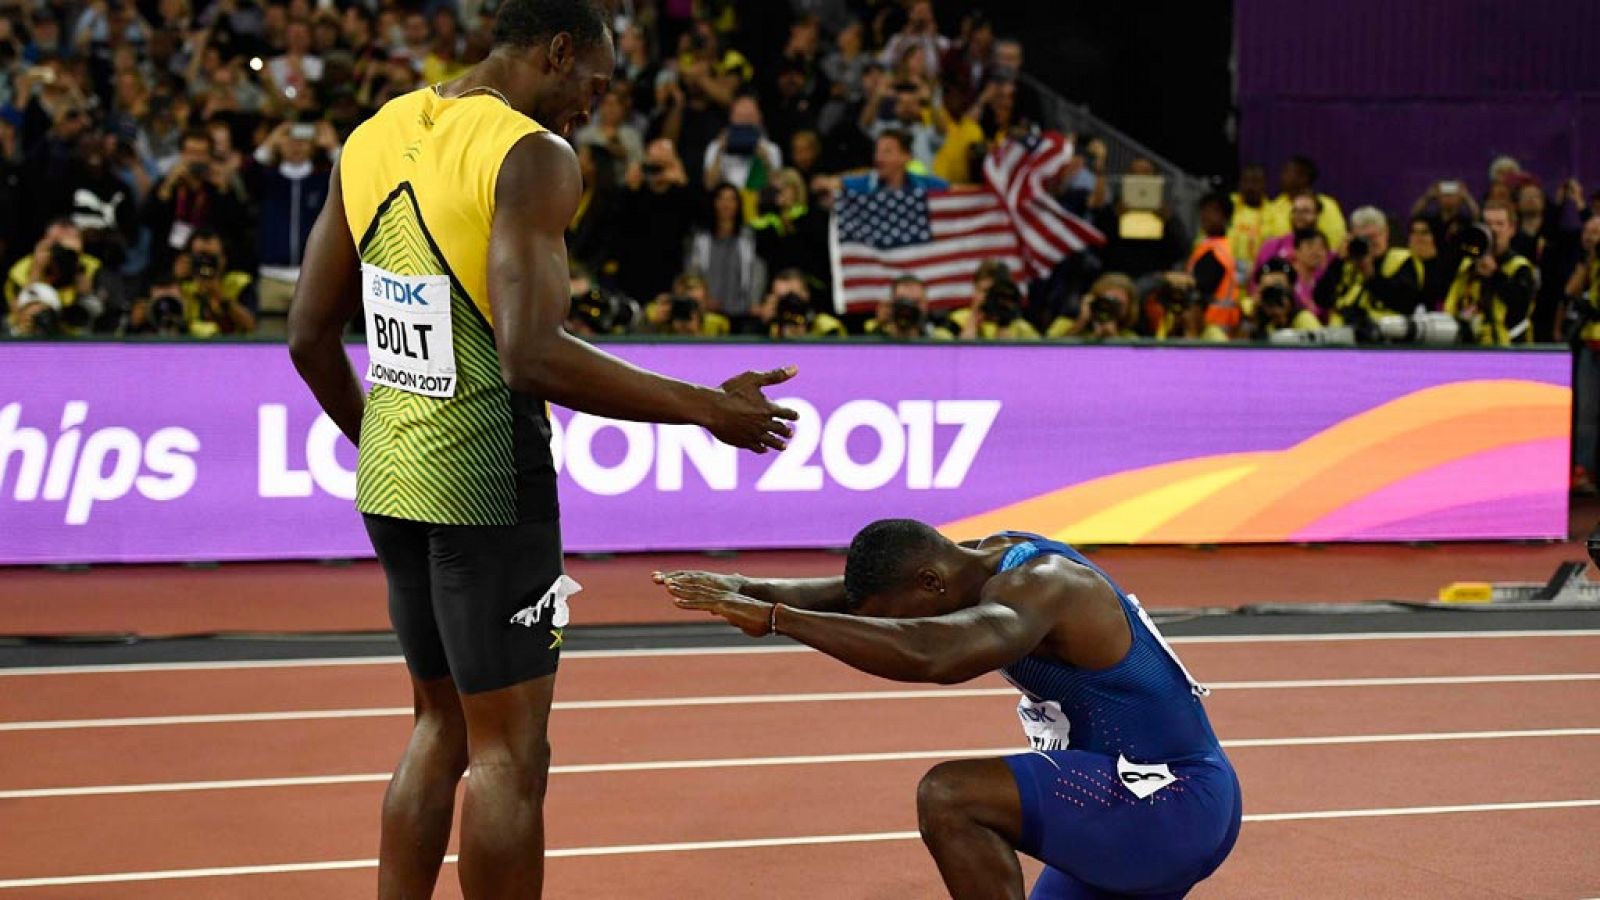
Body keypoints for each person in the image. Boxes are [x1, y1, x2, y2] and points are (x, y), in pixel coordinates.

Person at [286, 2, 800, 897]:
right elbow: (531, 353)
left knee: (437, 727)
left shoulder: (377, 131)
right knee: (511, 757)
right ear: (558, 51)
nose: (592, 110)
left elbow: (306, 336)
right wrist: (706, 409)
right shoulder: (531, 156)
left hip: (391, 480)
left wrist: (380, 436)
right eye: (593, 87)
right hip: (490, 483)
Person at [655, 519, 1240, 900]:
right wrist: (742, 588)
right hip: (1131, 798)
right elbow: (851, 597)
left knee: (951, 795)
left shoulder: (1045, 586)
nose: (894, 624)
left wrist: (781, 621)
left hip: (1169, 801)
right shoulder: (981, 562)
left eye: (899, 613)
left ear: (932, 582)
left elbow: (937, 654)